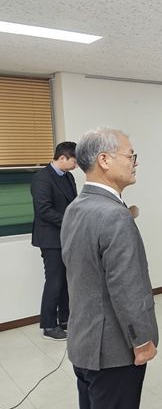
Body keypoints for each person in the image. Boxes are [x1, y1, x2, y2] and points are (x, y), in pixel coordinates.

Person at [61, 128, 158, 409]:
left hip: (84, 342)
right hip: (115, 351)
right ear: (104, 160)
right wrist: (141, 341)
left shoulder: (76, 207)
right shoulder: (114, 216)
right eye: (130, 156)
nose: (135, 162)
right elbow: (126, 288)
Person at [30, 141, 78, 341]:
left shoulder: (68, 176)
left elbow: (74, 204)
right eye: (74, 161)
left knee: (66, 280)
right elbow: (44, 210)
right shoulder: (41, 178)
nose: (77, 165)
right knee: (55, 281)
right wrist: (71, 221)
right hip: (50, 239)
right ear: (63, 158)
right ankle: (48, 326)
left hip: (67, 236)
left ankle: (65, 320)